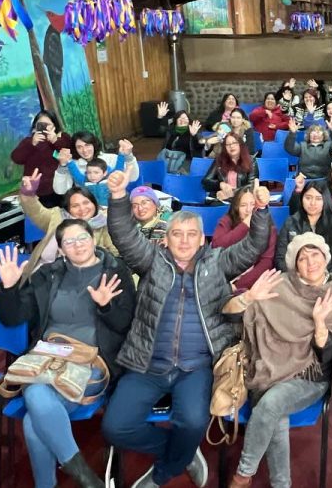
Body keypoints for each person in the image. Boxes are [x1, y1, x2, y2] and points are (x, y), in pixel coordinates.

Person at [102, 171, 273, 488]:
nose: (183, 241)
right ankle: (180, 455)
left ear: (202, 238)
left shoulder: (218, 262)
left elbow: (253, 246)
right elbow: (124, 235)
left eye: (191, 234)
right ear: (165, 238)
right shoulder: (152, 260)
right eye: (177, 234)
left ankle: (164, 472)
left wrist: (261, 212)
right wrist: (116, 198)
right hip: (148, 363)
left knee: (193, 421)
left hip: (196, 366)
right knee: (115, 426)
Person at [0, 227, 135, 488]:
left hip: (92, 362)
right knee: (35, 412)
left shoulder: (116, 272)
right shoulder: (48, 275)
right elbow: (12, 317)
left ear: (93, 239)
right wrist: (10, 288)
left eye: (82, 238)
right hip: (47, 358)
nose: (78, 245)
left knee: (34, 399)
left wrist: (105, 306)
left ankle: (76, 481)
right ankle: (83, 478)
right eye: (69, 241)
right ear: (60, 249)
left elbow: (124, 324)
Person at [225, 235, 332, 488]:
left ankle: (242, 476)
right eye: (302, 257)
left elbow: (330, 357)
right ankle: (281, 485)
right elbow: (230, 319)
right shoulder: (278, 286)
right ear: (294, 264)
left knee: (271, 402)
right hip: (270, 367)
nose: (310, 262)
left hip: (311, 376)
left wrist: (319, 324)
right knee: (276, 413)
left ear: (325, 257)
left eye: (315, 254)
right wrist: (249, 298)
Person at [274, 181, 332, 313]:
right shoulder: (291, 222)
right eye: (308, 198)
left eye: (318, 198)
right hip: (299, 284)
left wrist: (325, 280)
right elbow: (280, 258)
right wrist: (299, 279)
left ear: (326, 200)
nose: (312, 203)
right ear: (302, 199)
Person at [19, 169, 117, 276]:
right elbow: (36, 212)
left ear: (94, 203)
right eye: (75, 206)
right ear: (68, 209)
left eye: (86, 203)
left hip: (80, 279)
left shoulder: (104, 222)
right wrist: (28, 194)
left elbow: (115, 255)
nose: (82, 208)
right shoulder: (57, 217)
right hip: (42, 274)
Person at [211, 187, 278, 289]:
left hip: (252, 283)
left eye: (253, 205)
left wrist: (237, 286)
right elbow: (216, 246)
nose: (248, 210)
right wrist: (245, 224)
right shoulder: (227, 220)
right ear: (236, 207)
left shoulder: (268, 227)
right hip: (225, 277)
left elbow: (266, 262)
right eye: (243, 205)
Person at [11, 111, 73, 209]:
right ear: (35, 126)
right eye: (40, 125)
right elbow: (16, 158)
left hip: (61, 188)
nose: (44, 128)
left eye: (47, 125)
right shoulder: (28, 141)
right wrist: (32, 144)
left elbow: (69, 151)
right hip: (37, 192)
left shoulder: (63, 137)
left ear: (54, 126)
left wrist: (54, 140)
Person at [53, 133, 138, 195]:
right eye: (79, 147)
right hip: (89, 207)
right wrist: (63, 165)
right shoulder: (74, 165)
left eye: (87, 145)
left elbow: (133, 177)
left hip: (113, 203)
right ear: (75, 149)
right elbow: (60, 191)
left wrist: (128, 156)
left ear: (94, 144)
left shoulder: (111, 158)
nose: (84, 150)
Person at [201, 132, 257, 203]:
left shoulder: (251, 160)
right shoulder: (219, 160)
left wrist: (232, 193)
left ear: (240, 145)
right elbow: (206, 181)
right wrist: (220, 184)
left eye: (234, 143)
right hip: (221, 199)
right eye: (228, 144)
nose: (231, 146)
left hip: (242, 199)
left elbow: (251, 186)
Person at [156, 105, 201, 174]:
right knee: (158, 174)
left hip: (186, 161)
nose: (182, 120)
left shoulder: (193, 131)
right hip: (168, 158)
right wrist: (160, 117)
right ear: (175, 121)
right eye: (179, 118)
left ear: (189, 121)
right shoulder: (170, 131)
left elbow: (199, 148)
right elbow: (159, 131)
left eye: (185, 118)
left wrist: (194, 136)